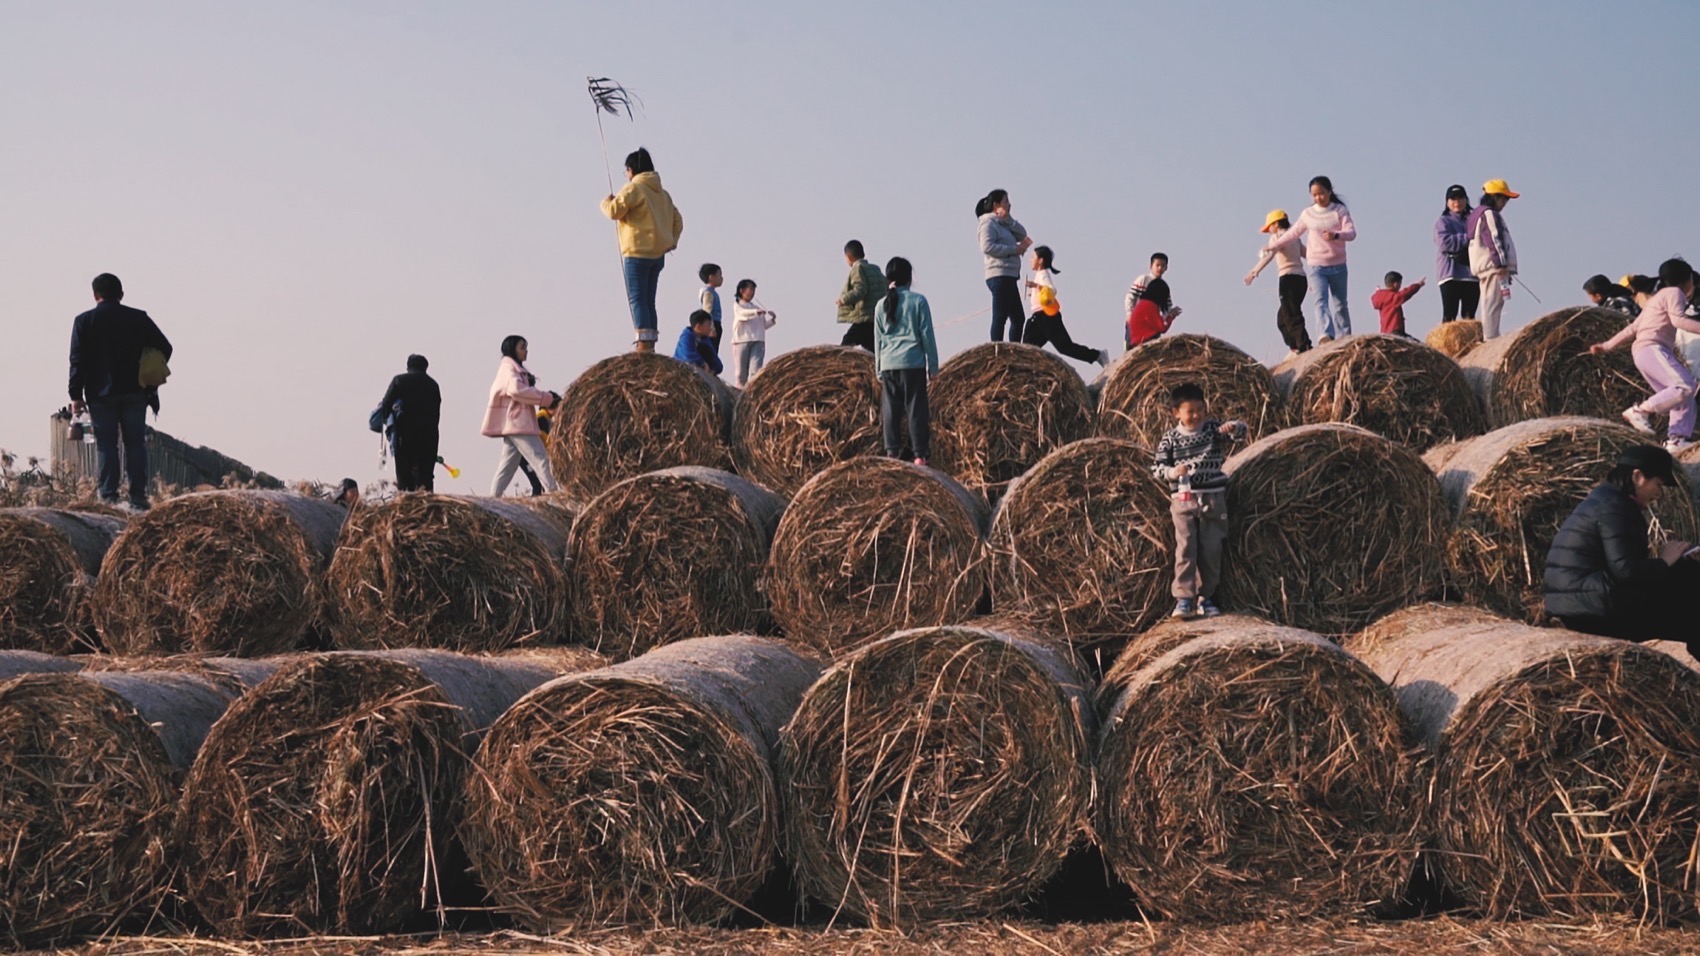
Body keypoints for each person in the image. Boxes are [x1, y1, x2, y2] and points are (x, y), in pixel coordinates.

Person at [1543, 444, 1700, 659]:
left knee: (1687, 583)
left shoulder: (1606, 500)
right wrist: (1664, 562)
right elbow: (1626, 570)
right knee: (1690, 581)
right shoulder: (1615, 507)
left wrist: (1673, 561)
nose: (1659, 493)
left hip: (1583, 603)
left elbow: (1623, 567)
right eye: (1658, 484)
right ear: (1637, 477)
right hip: (1593, 610)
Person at [67, 273, 173, 511]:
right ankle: (138, 496)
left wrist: (75, 395)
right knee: (135, 443)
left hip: (99, 393)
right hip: (135, 391)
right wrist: (149, 368)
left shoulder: (84, 321)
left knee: (106, 445)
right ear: (121, 294)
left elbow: (77, 360)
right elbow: (166, 346)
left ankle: (108, 496)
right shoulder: (138, 318)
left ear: (95, 295)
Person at [1151, 383, 1248, 619]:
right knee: (1185, 548)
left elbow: (1240, 435)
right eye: (1189, 411)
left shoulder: (1213, 429)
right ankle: (1184, 598)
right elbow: (1157, 468)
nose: (1196, 415)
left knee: (1211, 549)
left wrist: (1234, 427)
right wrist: (1173, 472)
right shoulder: (1170, 439)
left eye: (1200, 409)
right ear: (1176, 413)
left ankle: (1208, 597)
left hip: (1213, 498)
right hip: (1183, 500)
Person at [1590, 258, 1700, 454]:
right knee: (1685, 386)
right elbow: (1678, 320)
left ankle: (1677, 439)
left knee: (1681, 396)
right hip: (1653, 347)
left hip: (1643, 352)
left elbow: (1633, 327)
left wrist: (1607, 346)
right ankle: (1639, 411)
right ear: (1687, 279)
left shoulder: (1656, 298)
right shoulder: (1675, 293)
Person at [601, 147, 684, 353]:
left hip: (637, 253)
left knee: (637, 299)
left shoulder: (633, 189)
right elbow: (678, 220)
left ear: (631, 170)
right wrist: (671, 240)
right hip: (657, 256)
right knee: (649, 300)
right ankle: (650, 341)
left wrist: (606, 202)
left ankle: (643, 344)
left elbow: (614, 211)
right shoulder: (663, 194)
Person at [1266, 175, 1356, 343]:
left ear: (1329, 192)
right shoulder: (1308, 214)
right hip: (1316, 265)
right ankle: (1325, 335)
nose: (1318, 198)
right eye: (1314, 195)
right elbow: (1293, 233)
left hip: (1338, 264)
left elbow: (1351, 233)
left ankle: (1344, 337)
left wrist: (1336, 235)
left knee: (1340, 303)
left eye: (1321, 193)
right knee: (1320, 301)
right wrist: (1274, 245)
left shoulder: (1339, 211)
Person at [874, 256, 939, 465]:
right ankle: (919, 454)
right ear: (909, 278)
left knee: (891, 410)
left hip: (888, 363)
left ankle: (892, 452)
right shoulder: (918, 301)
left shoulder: (880, 306)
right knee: (916, 408)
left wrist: (878, 370)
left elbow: (878, 341)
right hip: (913, 363)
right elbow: (927, 335)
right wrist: (934, 366)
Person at [482, 335, 561, 496]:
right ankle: (554, 494)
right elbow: (516, 390)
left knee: (507, 466)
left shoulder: (512, 369)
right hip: (518, 423)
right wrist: (545, 397)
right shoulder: (509, 369)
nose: (526, 351)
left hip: (514, 423)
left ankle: (493, 500)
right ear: (512, 350)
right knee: (541, 459)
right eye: (522, 347)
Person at [1022, 246, 1110, 367]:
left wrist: (1036, 286)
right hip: (1038, 318)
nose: (1030, 260)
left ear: (1040, 260)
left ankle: (1097, 355)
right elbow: (1043, 293)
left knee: (1064, 347)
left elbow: (1052, 290)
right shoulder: (1039, 275)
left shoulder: (1043, 275)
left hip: (1047, 317)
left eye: (1033, 257)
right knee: (1027, 349)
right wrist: (1034, 292)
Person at [1244, 210, 1312, 359]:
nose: (1269, 232)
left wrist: (1254, 272)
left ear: (1276, 224)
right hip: (1301, 280)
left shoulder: (1277, 237)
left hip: (1287, 279)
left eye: (1269, 228)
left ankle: (1304, 345)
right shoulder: (1295, 237)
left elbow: (1269, 255)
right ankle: (1295, 347)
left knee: (1292, 315)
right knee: (1283, 318)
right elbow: (1307, 254)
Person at [375, 353, 442, 492]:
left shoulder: (399, 381)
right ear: (425, 368)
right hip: (429, 438)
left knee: (405, 479)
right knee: (425, 479)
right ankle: (427, 506)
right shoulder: (433, 385)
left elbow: (385, 407)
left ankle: (406, 504)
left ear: (408, 367)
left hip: (404, 437)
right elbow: (436, 415)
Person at [976, 189, 1031, 342]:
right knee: (1000, 317)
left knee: (1018, 319)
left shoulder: (1004, 223)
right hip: (999, 274)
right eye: (1006, 201)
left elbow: (1022, 234)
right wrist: (1013, 250)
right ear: (996, 205)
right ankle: (997, 351)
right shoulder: (987, 223)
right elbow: (987, 247)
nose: (1009, 204)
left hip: (1009, 275)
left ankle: (1012, 351)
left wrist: (1009, 219)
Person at [1468, 179, 1519, 339]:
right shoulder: (1489, 214)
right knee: (1493, 302)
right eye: (1504, 198)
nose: (1505, 203)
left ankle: (1490, 336)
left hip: (1486, 265)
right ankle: (1491, 338)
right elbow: (1494, 238)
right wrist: (1501, 264)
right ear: (1495, 197)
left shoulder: (1477, 213)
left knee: (1489, 302)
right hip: (1492, 266)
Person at [1434, 185, 1480, 324]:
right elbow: (1445, 243)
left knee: (1469, 317)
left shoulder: (1474, 220)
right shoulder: (1443, 221)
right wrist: (1468, 237)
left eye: (1460, 198)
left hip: (1472, 275)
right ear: (1447, 202)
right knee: (1449, 316)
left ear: (1466, 200)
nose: (1457, 201)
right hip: (1450, 274)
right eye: (1453, 198)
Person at [836, 240, 885, 350]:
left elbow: (860, 290)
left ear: (848, 257)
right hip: (875, 319)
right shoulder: (875, 269)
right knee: (873, 352)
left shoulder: (857, 269)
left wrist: (843, 300)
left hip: (863, 318)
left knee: (845, 346)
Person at [729, 279, 777, 387]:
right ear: (741, 290)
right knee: (741, 373)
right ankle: (740, 394)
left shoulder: (755, 308)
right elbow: (742, 314)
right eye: (750, 289)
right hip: (742, 340)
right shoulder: (738, 306)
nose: (752, 292)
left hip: (758, 341)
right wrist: (756, 312)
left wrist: (772, 319)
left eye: (753, 289)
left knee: (756, 371)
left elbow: (762, 326)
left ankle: (752, 393)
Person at [1126, 269, 1181, 350]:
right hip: (1144, 342)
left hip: (1137, 341)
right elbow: (1162, 327)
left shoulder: (1143, 304)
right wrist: (1171, 316)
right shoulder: (1149, 306)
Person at [1370, 272, 1426, 337]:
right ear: (1396, 284)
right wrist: (1417, 285)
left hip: (1385, 332)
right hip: (1395, 331)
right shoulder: (1392, 297)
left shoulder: (1381, 296)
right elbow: (1405, 293)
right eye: (1400, 283)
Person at [673, 310, 724, 375]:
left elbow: (715, 359)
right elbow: (687, 355)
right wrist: (702, 363)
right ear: (698, 327)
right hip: (682, 371)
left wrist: (714, 368)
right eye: (708, 325)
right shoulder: (686, 338)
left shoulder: (705, 340)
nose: (710, 328)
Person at [698, 263, 724, 353]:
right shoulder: (708, 292)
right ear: (711, 277)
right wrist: (711, 328)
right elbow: (707, 311)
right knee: (712, 351)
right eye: (719, 275)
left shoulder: (711, 291)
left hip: (713, 323)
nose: (722, 278)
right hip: (713, 324)